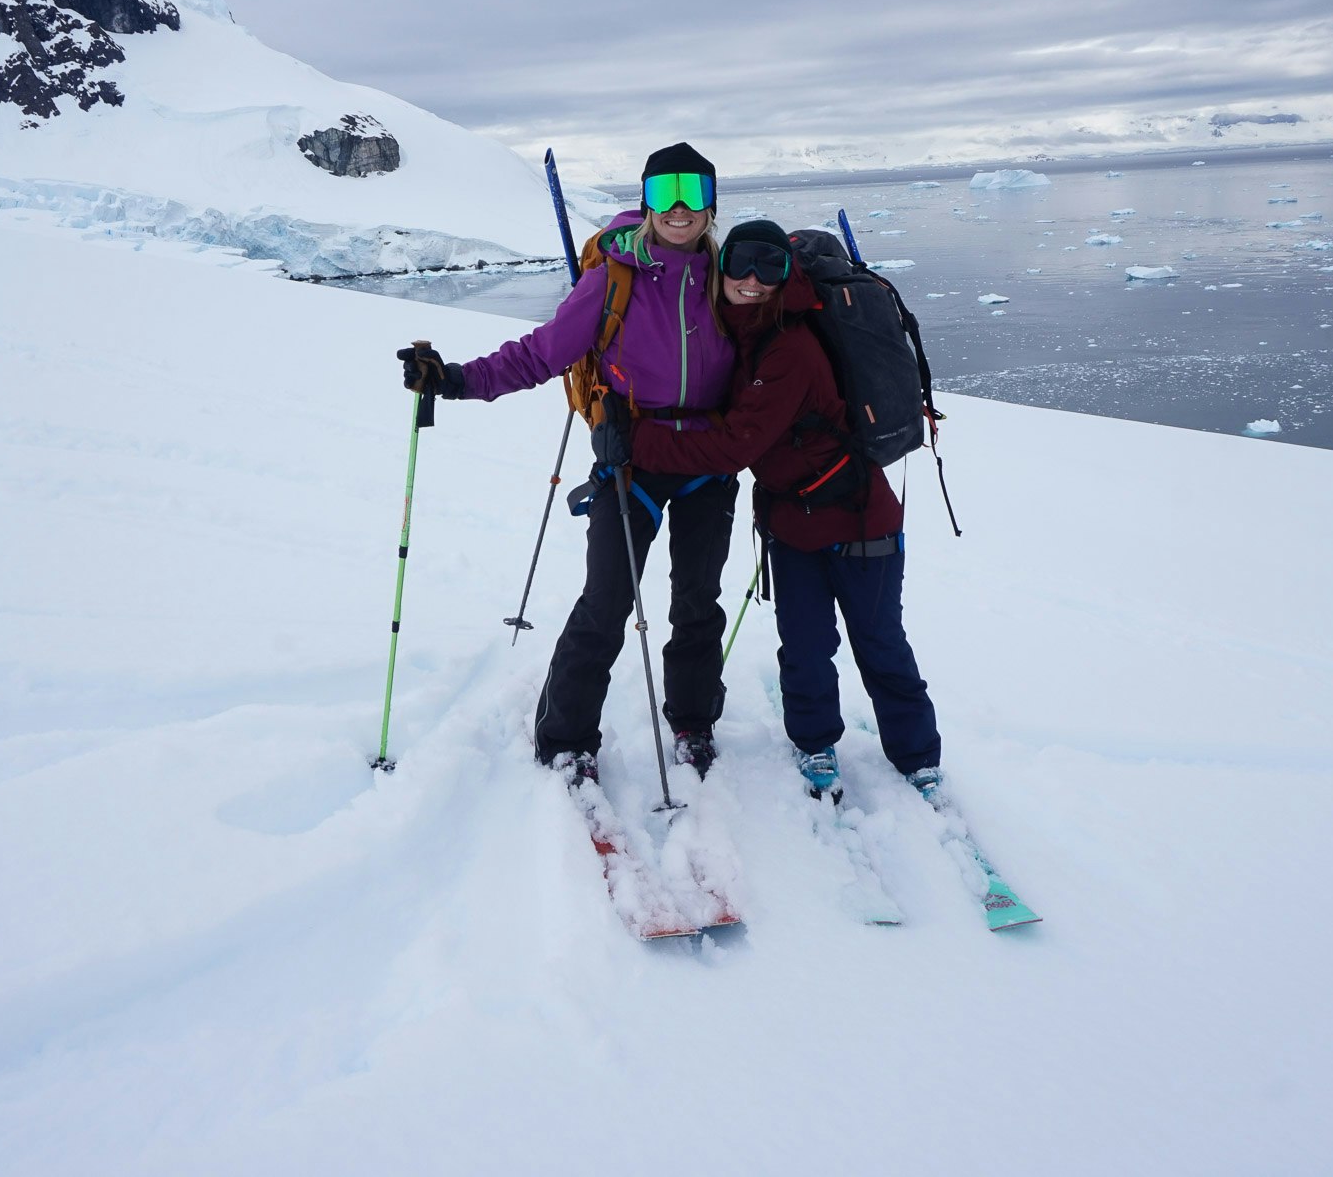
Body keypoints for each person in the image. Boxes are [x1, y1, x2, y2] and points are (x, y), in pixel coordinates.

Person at [399, 143, 739, 786]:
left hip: (708, 461)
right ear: (644, 200)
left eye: (692, 191)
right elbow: (543, 352)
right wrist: (458, 380)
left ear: (711, 202)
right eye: (663, 192)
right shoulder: (614, 276)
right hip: (631, 457)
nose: (677, 208)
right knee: (607, 600)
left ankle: (694, 721)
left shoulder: (729, 276)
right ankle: (565, 735)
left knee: (699, 601)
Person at [627, 219, 946, 804]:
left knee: (879, 642)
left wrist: (638, 442)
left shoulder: (789, 348)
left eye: (769, 267)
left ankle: (918, 754)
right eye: (741, 262)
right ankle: (816, 740)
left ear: (786, 276)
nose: (752, 278)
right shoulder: (742, 334)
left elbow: (734, 445)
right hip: (792, 521)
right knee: (804, 644)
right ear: (721, 267)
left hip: (858, 516)